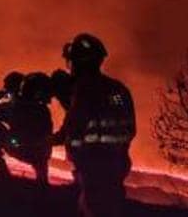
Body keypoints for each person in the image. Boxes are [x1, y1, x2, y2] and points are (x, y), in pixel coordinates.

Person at [51, 33, 135, 217]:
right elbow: (128, 128)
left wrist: (43, 141)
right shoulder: (117, 89)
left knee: (94, 209)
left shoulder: (85, 90)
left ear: (79, 63)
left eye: (71, 60)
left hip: (93, 166)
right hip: (117, 164)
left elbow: (74, 125)